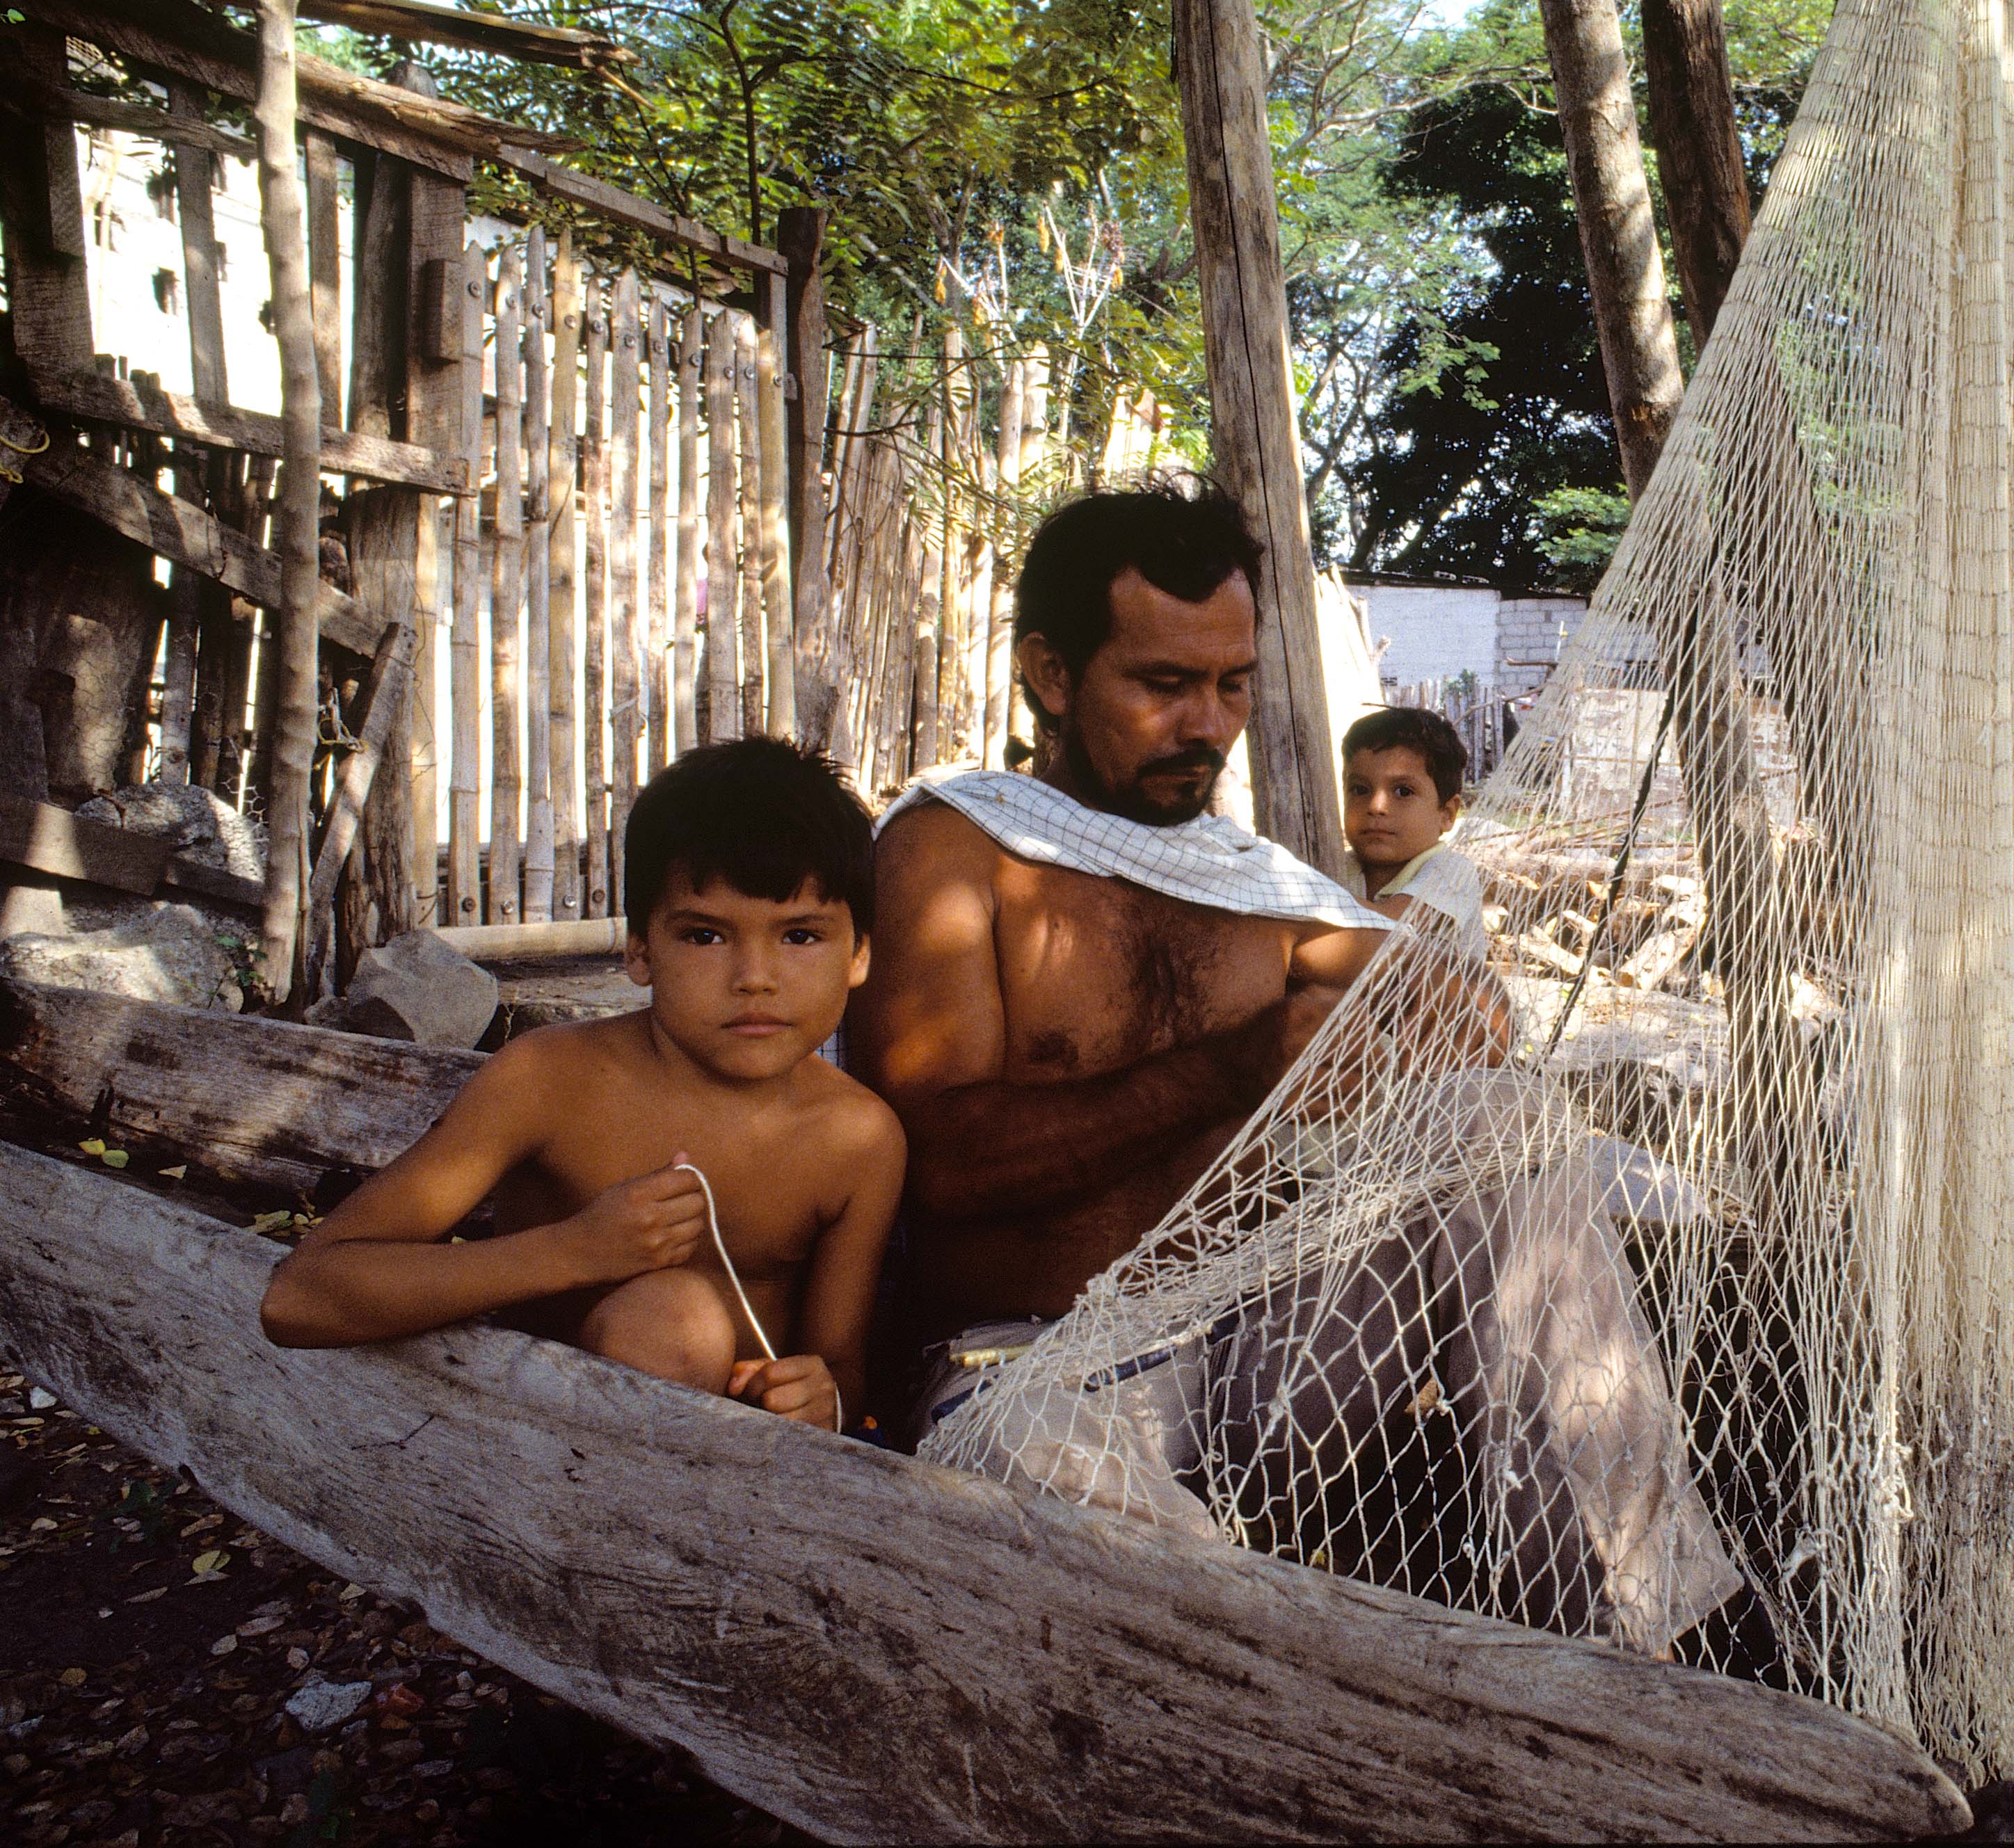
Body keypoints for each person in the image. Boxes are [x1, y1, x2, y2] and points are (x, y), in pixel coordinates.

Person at [849, 479, 1741, 1655]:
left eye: (1230, 685)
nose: (1206, 725)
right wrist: (1242, 1066)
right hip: (1031, 1374)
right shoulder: (953, 849)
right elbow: (941, 1165)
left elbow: (1453, 1000)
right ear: (1051, 676)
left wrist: (1445, 1020)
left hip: (1258, 1351)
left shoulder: (1246, 877)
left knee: (1495, 1116)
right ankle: (1285, 1682)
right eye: (1162, 686)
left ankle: (1640, 1640)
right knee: (1017, 1457)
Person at [259, 738, 904, 1434]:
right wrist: (576, 1250)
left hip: (744, 1483)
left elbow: (840, 1368)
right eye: (706, 936)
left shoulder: (858, 1139)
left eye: (800, 936)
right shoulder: (550, 1080)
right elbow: (300, 1297)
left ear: (859, 953)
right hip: (530, 1445)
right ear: (638, 950)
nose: (755, 975)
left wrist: (821, 1396)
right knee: (674, 1320)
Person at [1341, 705, 1489, 961]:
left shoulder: (1451, 871)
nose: (1376, 807)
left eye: (1403, 792)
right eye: (1360, 790)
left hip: (1437, 999)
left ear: (1447, 814)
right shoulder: (1339, 867)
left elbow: (1389, 928)